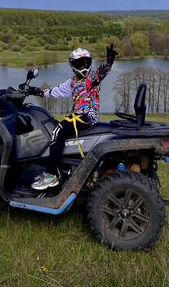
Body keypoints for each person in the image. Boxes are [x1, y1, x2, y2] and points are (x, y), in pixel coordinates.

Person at [30, 43, 118, 191]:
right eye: (79, 63)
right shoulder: (72, 82)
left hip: (87, 116)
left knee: (57, 131)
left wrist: (109, 61)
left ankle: (52, 175)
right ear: (73, 65)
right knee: (56, 129)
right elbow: (55, 91)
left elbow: (102, 71)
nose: (83, 65)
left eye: (86, 62)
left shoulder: (92, 78)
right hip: (77, 116)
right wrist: (38, 92)